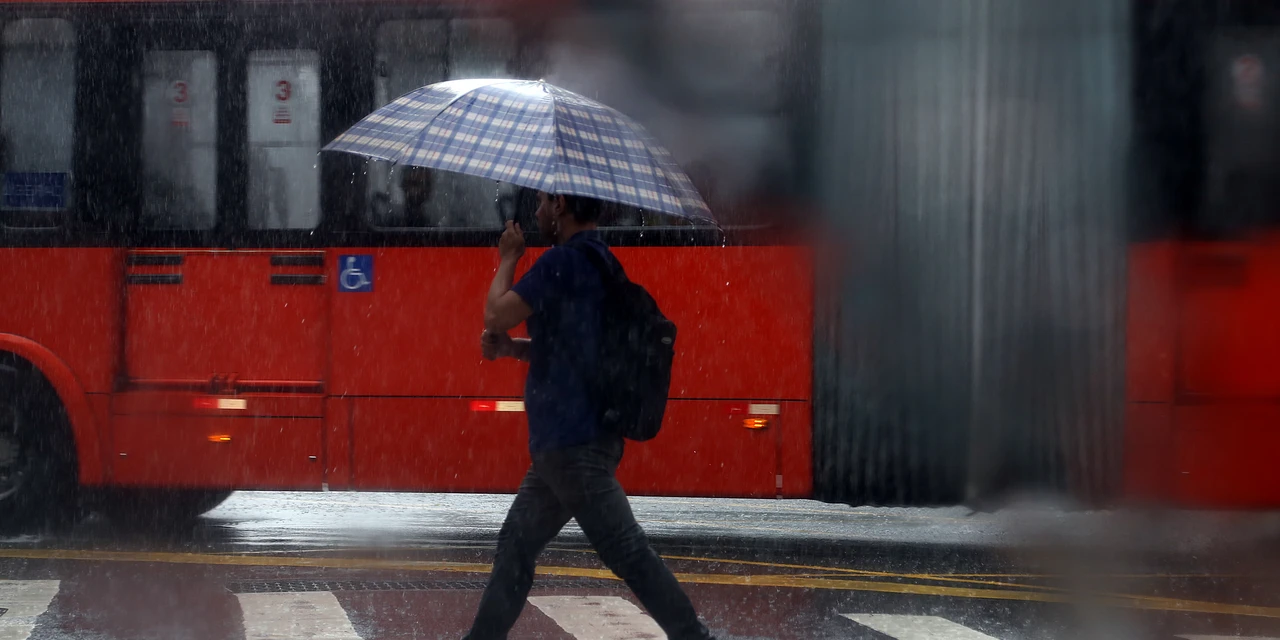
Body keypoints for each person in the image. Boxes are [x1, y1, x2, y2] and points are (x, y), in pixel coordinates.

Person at [464, 191, 715, 640]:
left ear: (560, 207)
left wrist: (508, 258)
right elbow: (572, 352)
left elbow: (496, 313)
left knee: (626, 551)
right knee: (516, 545)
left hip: (571, 443)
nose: (536, 212)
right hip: (571, 442)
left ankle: (694, 636)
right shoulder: (600, 262)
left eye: (541, 203)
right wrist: (511, 349)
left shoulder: (562, 262)